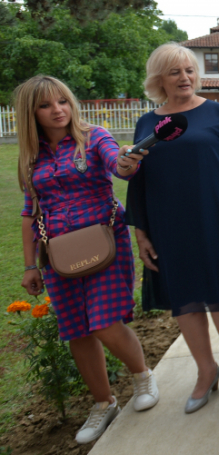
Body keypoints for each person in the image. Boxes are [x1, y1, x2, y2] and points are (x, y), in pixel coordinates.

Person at [15, 75, 159, 444]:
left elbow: (118, 165)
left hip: (104, 242)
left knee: (105, 323)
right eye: (45, 105)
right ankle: (103, 403)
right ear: (31, 113)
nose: (57, 110)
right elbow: (30, 212)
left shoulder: (93, 137)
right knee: (76, 331)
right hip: (59, 254)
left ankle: (143, 376)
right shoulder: (30, 157)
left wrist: (127, 161)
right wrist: (30, 265)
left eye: (62, 101)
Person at [127, 43, 219, 414]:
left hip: (214, 219)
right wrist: (141, 233)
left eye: (189, 70)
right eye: (175, 72)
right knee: (184, 298)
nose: (184, 77)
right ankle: (206, 369)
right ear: (159, 80)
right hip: (168, 226)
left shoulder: (217, 113)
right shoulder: (147, 123)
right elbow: (138, 180)